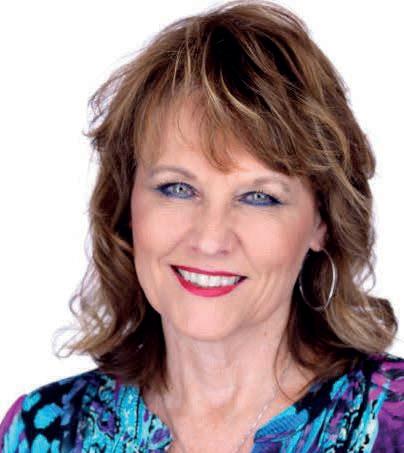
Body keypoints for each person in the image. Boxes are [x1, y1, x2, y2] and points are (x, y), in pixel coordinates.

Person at [1, 0, 403, 451]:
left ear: (322, 222)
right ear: (127, 203)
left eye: (259, 197)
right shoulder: (42, 431)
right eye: (177, 188)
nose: (210, 239)